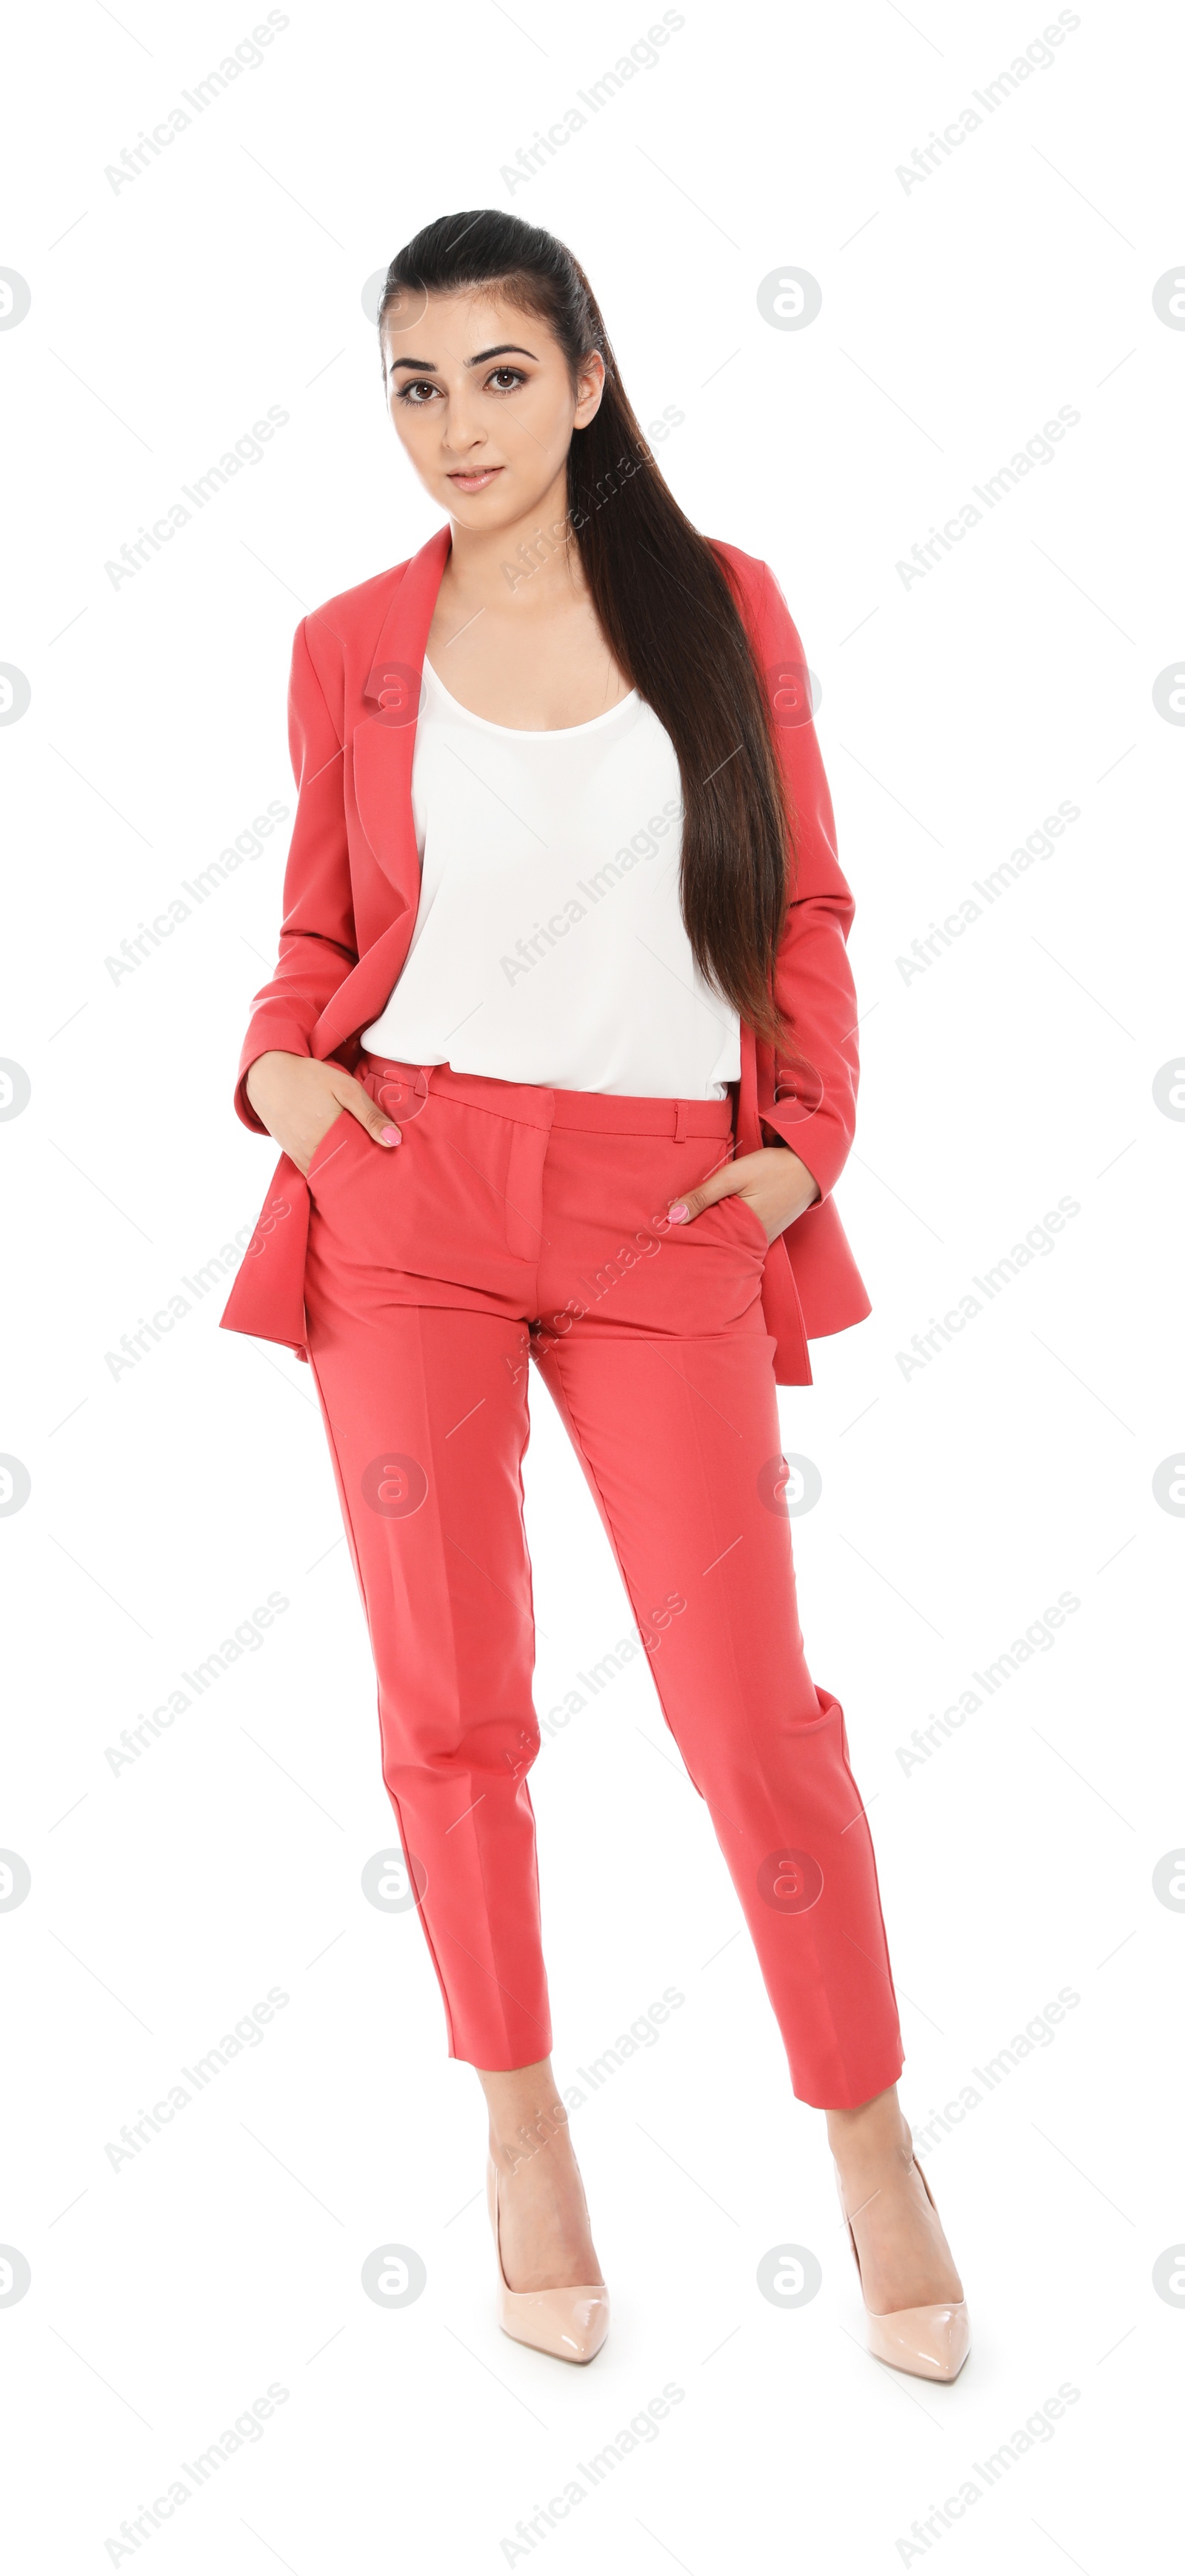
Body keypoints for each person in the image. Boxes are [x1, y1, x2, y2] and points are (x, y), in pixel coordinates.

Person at [221, 209, 968, 2381]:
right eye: (415, 385)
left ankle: (870, 2131)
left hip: (668, 1215)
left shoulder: (724, 610)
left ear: (590, 380)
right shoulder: (348, 637)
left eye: (497, 376)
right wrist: (280, 1070)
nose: (454, 426)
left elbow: (808, 898)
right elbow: (313, 932)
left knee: (750, 1714)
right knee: (456, 1707)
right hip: (409, 1191)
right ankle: (521, 2124)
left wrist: (799, 1146)